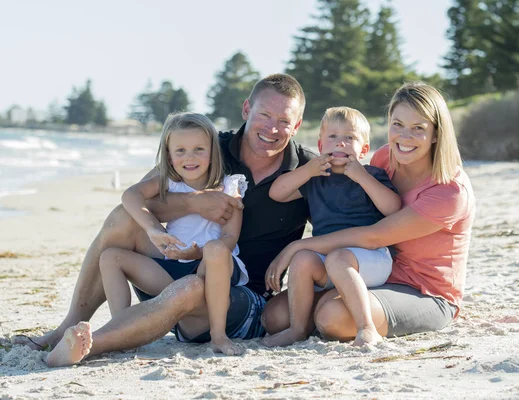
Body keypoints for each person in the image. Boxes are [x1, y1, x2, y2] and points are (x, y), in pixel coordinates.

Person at [13, 73, 317, 367]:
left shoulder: (308, 169)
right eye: (265, 115)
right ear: (247, 109)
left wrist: (293, 253)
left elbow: (345, 226)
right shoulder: (207, 146)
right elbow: (141, 196)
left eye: (283, 121)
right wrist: (193, 202)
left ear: (297, 125)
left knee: (189, 287)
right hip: (173, 268)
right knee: (122, 219)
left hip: (237, 294)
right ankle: (68, 326)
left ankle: (91, 344)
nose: (272, 129)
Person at [261, 82, 476, 346]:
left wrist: (297, 246)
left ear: (435, 134)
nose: (404, 137)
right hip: (368, 273)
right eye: (397, 125)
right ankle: (313, 318)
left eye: (418, 128)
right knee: (275, 317)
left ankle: (351, 321)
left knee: (331, 317)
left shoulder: (450, 191)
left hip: (424, 292)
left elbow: (374, 236)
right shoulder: (386, 158)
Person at [100, 112, 249, 356]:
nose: (189, 157)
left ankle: (218, 335)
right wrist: (154, 229)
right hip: (175, 267)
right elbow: (130, 195)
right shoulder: (168, 181)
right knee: (110, 257)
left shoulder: (229, 185)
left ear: (213, 151)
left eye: (198, 149)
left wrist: (198, 252)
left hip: (212, 268)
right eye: (180, 150)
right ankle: (123, 331)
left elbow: (230, 238)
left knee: (215, 249)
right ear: (168, 154)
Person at [261, 106, 401, 347]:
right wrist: (308, 169)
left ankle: (366, 328)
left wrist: (362, 178)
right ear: (320, 144)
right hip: (328, 258)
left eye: (350, 138)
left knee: (339, 258)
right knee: (303, 258)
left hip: (371, 259)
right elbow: (277, 193)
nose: (341, 143)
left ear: (364, 149)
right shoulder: (316, 179)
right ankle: (297, 328)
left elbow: (393, 208)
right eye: (333, 137)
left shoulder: (371, 174)